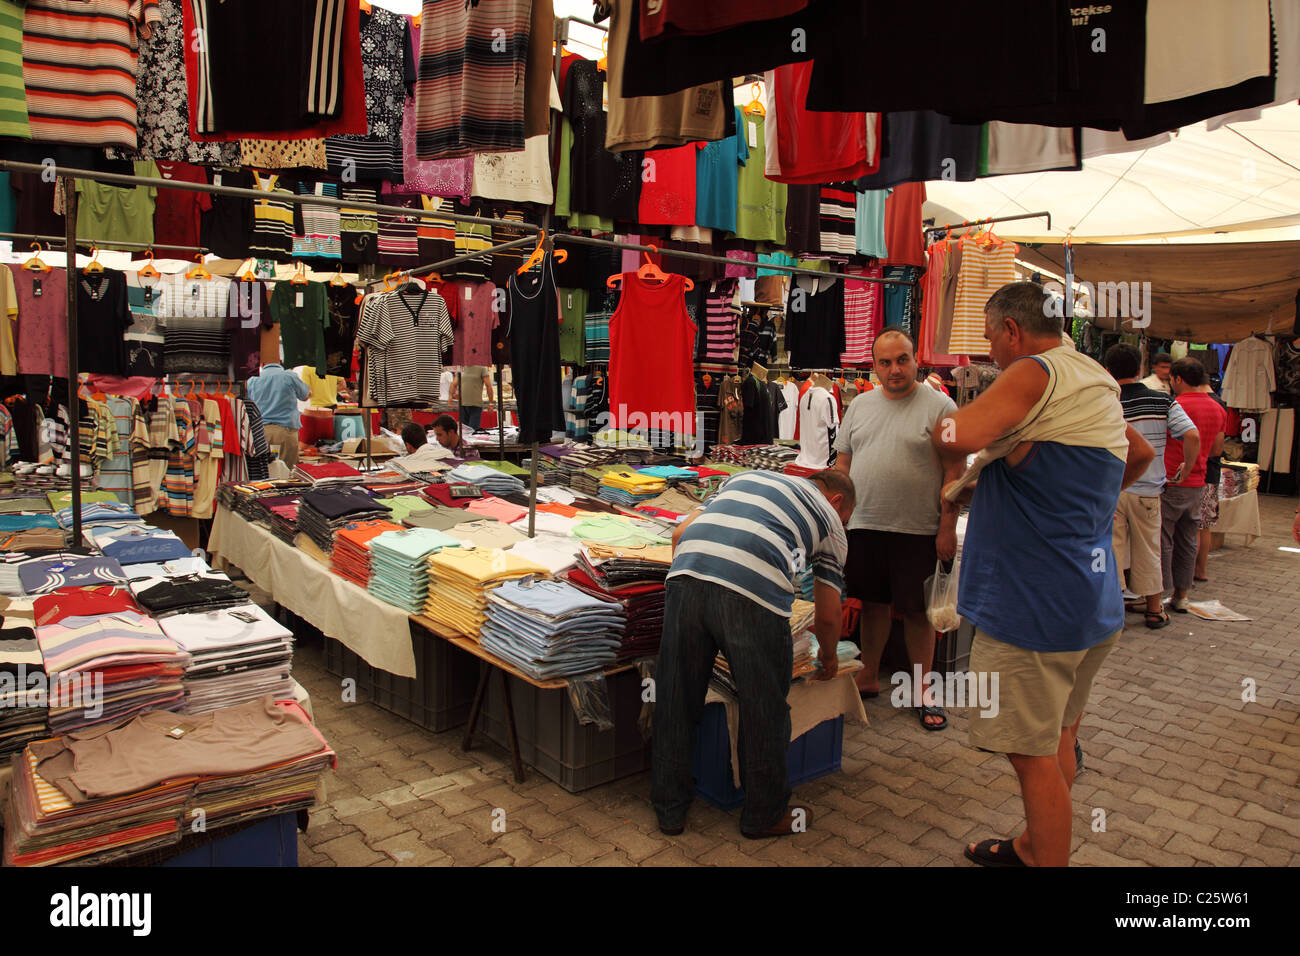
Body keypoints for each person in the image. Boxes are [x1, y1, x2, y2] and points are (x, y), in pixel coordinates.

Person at [932, 282, 1154, 867]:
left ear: (1012, 330)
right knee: (1058, 736)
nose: (990, 353)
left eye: (990, 338)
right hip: (1091, 603)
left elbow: (957, 434)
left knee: (1031, 758)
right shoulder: (1092, 378)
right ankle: (1034, 846)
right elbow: (1139, 455)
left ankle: (1045, 858)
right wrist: (1079, 505)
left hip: (1031, 609)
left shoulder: (1034, 370)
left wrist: (940, 433)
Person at [652, 469, 855, 840]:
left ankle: (669, 810)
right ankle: (764, 815)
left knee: (675, 696)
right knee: (764, 707)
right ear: (837, 502)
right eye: (846, 517)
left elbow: (680, 535)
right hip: (751, 597)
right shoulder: (832, 523)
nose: (843, 524)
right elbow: (828, 615)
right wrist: (829, 657)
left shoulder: (745, 478)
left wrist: (698, 586)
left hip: (686, 576)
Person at [833, 329, 961, 730]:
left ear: (915, 360)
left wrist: (947, 527)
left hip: (918, 529)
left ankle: (922, 691)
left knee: (918, 612)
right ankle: (869, 676)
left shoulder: (942, 407)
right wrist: (837, 518)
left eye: (902, 360)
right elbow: (842, 465)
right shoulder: (859, 405)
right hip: (865, 524)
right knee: (872, 604)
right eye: (885, 362)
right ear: (874, 366)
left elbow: (955, 472)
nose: (894, 369)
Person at [1103, 344, 1199, 629]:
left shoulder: (1107, 402)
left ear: (1108, 370)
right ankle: (1155, 610)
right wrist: (1187, 467)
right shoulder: (1162, 401)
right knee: (1149, 549)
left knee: (1113, 550)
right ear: (1140, 370)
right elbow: (1192, 435)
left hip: (1114, 488)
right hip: (1148, 491)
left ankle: (1115, 611)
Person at [1162, 358, 1226, 612]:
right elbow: (1217, 449)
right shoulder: (1217, 408)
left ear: (1178, 379)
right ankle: (1181, 595)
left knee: (1164, 538)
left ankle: (1156, 596)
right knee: (1188, 538)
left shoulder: (1175, 405)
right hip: (1199, 480)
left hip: (1172, 478)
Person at [1193, 378, 1229, 584]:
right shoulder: (1220, 404)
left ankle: (1188, 572)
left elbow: (1215, 447)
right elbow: (1218, 448)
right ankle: (1201, 570)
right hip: (1211, 471)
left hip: (1197, 471)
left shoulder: (1191, 402)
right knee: (1204, 525)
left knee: (1192, 527)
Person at [246, 359, 310, 467]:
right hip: (285, 433)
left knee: (266, 470)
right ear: (280, 361)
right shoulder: (289, 376)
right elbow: (305, 396)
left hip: (261, 433)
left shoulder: (252, 380)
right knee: (287, 471)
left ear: (262, 364)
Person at [452, 365, 493, 433]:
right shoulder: (461, 368)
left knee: (473, 430)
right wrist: (451, 396)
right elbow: (454, 384)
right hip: (462, 405)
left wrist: (490, 403)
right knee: (463, 431)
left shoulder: (482, 368)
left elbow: (488, 385)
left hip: (476, 405)